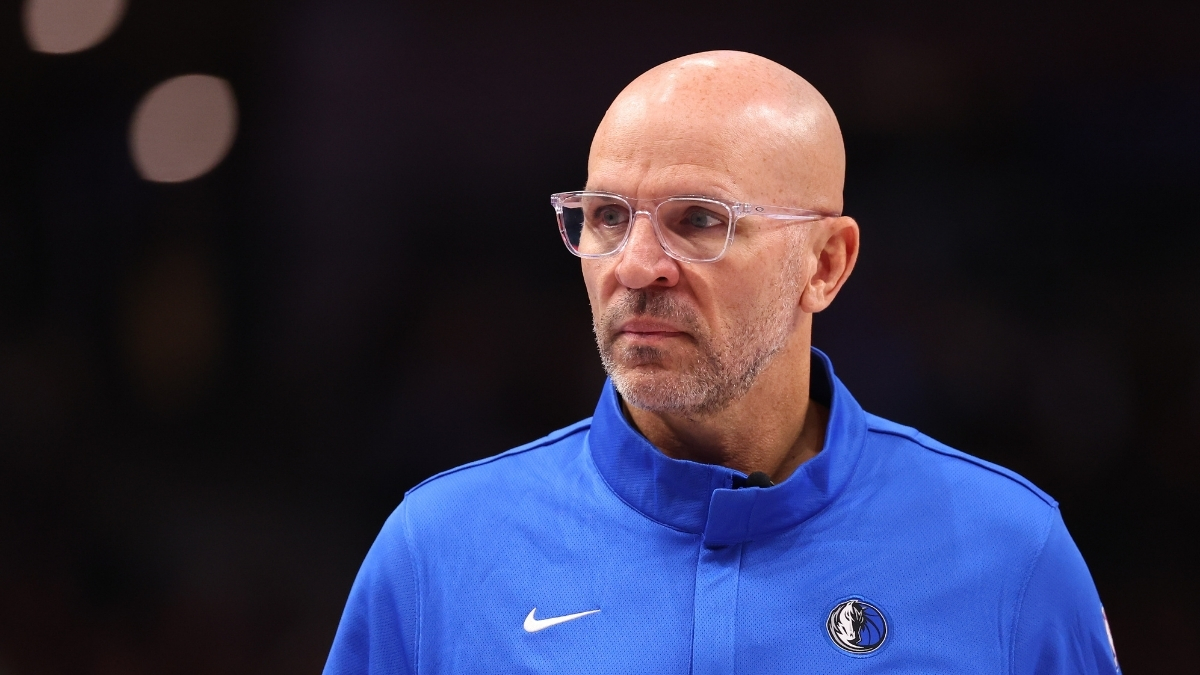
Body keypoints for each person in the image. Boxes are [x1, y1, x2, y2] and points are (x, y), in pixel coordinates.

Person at [323, 51, 1121, 674]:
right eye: (605, 216)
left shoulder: (1010, 552)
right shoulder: (437, 550)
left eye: (699, 220)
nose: (635, 266)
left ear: (826, 264)